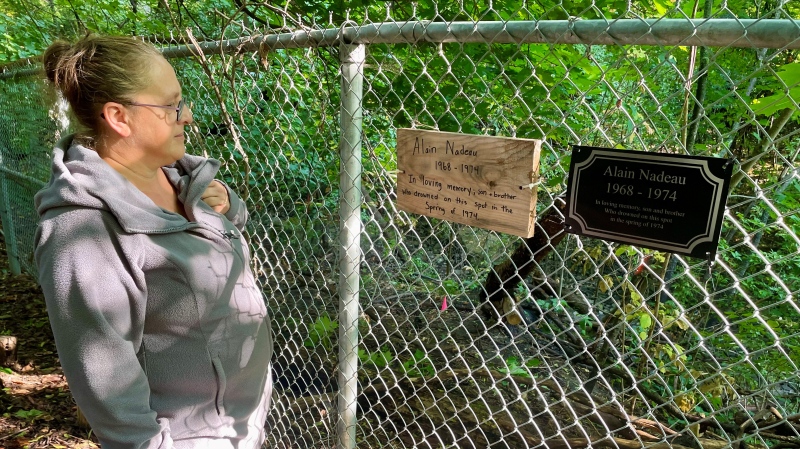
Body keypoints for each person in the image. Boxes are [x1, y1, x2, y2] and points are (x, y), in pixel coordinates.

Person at [34, 34, 273, 449]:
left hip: (240, 423)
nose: (189, 116)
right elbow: (106, 383)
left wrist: (227, 207)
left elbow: (208, 245)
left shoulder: (174, 175)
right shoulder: (82, 232)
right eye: (172, 105)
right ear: (119, 117)